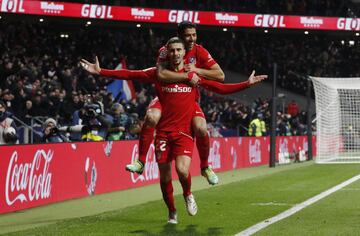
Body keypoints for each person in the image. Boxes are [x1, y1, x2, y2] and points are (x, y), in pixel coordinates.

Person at [80, 37, 267, 223]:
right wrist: (100, 71)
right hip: (163, 133)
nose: (176, 53)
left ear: (185, 53)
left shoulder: (194, 77)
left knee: (183, 171)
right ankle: (171, 211)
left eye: (179, 50)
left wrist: (246, 84)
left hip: (184, 132)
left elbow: (221, 88)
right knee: (165, 177)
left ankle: (188, 194)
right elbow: (130, 74)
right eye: (172, 50)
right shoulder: (159, 74)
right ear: (167, 53)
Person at [126, 21, 226, 185]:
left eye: (194, 34)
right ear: (179, 36)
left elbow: (220, 76)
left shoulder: (199, 51)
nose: (192, 38)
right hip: (166, 97)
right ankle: (141, 161)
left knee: (201, 128)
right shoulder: (167, 50)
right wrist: (187, 76)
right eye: (188, 35)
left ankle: (205, 167)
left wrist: (196, 70)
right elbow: (161, 75)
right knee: (151, 117)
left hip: (188, 99)